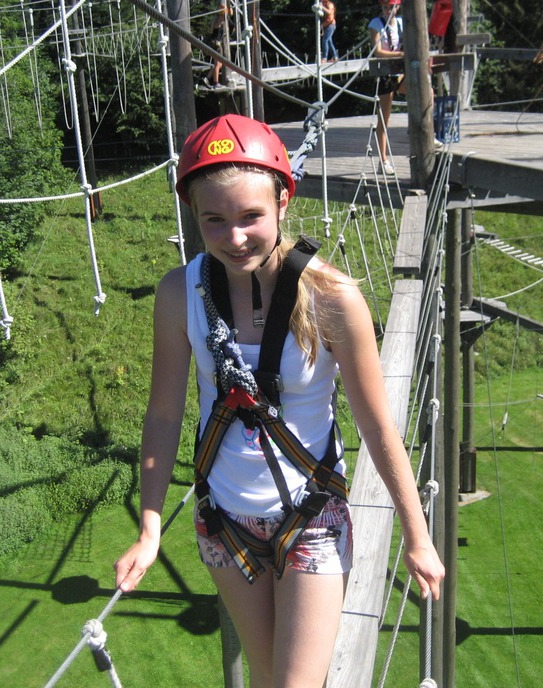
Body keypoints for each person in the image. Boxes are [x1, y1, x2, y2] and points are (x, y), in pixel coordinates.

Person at [114, 114, 445, 688]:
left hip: (310, 514)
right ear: (192, 212)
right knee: (267, 679)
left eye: (251, 216)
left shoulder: (331, 298)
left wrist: (417, 535)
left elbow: (376, 426)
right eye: (214, 220)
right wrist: (150, 528)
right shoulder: (179, 293)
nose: (234, 237)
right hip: (224, 518)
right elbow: (163, 414)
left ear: (283, 202)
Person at [368, 0, 407, 175]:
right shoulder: (376, 24)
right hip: (385, 73)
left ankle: (427, 132)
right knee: (384, 119)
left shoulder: (402, 23)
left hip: (400, 72)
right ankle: (383, 160)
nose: (388, 10)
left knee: (425, 92)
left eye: (391, 7)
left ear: (397, 7)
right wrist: (401, 54)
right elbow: (378, 51)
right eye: (385, 7)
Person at [204, 0, 230, 88]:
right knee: (218, 64)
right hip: (216, 44)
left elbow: (230, 13)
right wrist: (222, 11)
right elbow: (223, 15)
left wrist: (229, 4)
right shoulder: (217, 23)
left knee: (219, 64)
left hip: (215, 44)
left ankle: (208, 78)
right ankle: (216, 82)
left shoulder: (217, 22)